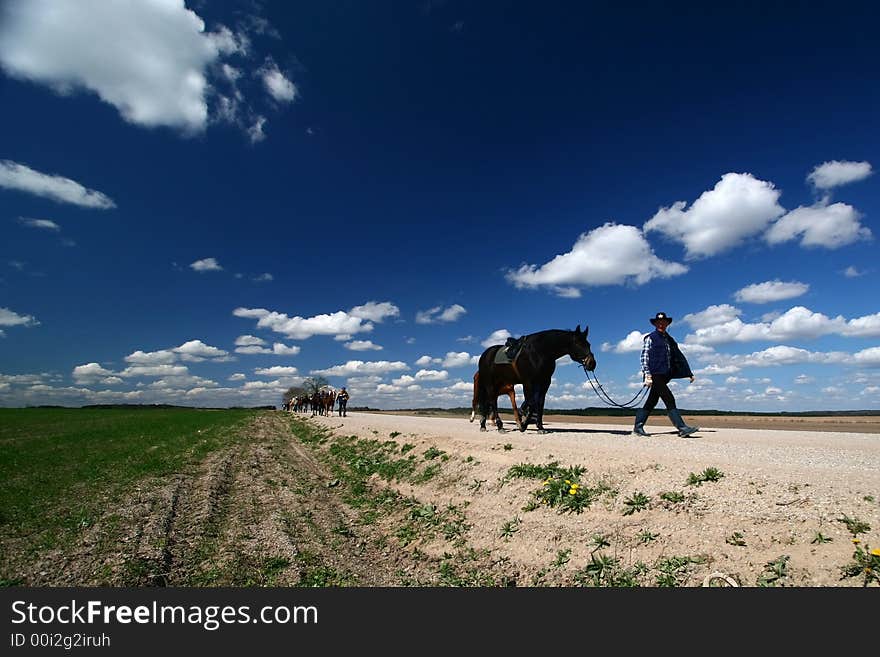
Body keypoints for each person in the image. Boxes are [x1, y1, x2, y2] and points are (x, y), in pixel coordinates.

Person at [633, 312, 699, 437]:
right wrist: (647, 375)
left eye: (664, 322)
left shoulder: (669, 340)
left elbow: (678, 356)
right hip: (655, 374)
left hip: (665, 375)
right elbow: (644, 357)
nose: (661, 324)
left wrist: (688, 373)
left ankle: (638, 427)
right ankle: (682, 428)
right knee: (669, 398)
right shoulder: (650, 338)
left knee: (652, 401)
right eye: (659, 322)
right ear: (655, 324)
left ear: (667, 324)